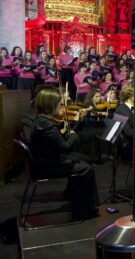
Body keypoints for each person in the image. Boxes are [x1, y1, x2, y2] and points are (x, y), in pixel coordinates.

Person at [28, 88, 99, 220]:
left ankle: (82, 204)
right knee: (85, 168)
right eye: (60, 104)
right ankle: (82, 210)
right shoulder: (46, 125)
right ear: (51, 105)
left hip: (47, 160)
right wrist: (72, 134)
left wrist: (77, 124)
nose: (62, 106)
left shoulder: (42, 121)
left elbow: (61, 140)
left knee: (83, 162)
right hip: (46, 166)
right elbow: (65, 147)